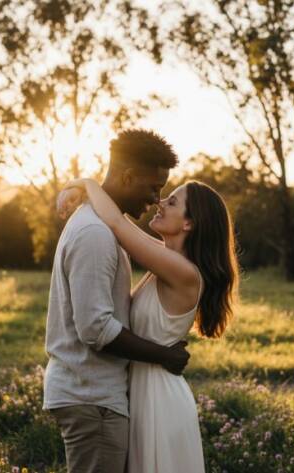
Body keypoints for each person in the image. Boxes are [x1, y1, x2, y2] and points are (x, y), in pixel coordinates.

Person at [59, 175, 239, 473]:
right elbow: (119, 224)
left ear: (188, 223)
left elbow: (117, 224)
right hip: (143, 387)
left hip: (158, 397)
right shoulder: (166, 261)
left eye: (172, 202)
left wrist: (87, 184)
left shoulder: (183, 272)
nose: (160, 202)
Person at [42, 129, 191, 473]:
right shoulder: (95, 234)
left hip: (95, 395)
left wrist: (84, 184)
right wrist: (164, 355)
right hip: (91, 396)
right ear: (127, 177)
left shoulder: (106, 226)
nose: (156, 199)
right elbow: (95, 328)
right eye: (153, 188)